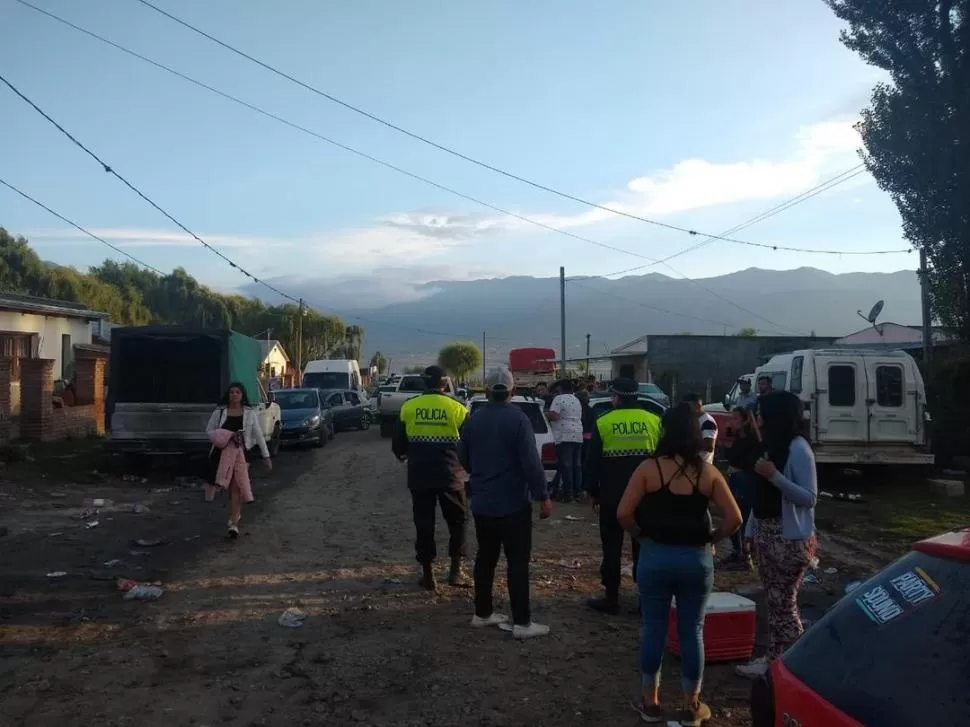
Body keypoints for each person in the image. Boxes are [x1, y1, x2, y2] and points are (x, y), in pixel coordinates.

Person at [617, 403, 742, 726]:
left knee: (653, 628)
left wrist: (641, 536)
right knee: (692, 631)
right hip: (695, 559)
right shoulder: (708, 473)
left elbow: (623, 514)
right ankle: (691, 705)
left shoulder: (648, 469)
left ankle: (650, 702)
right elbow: (735, 519)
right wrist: (713, 539)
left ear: (664, 431)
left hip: (656, 555)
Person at [459, 368, 553, 639]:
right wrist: (543, 497)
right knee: (517, 563)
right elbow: (531, 464)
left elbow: (463, 457)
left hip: (483, 504)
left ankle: (482, 613)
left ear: (486, 392)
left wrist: (481, 474)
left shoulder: (473, 421)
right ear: (512, 392)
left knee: (485, 558)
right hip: (513, 504)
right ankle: (522, 623)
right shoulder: (519, 420)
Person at [735, 391, 818, 680]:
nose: (757, 419)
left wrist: (775, 476)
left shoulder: (798, 449)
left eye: (761, 414)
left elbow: (809, 498)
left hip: (789, 538)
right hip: (767, 533)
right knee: (774, 600)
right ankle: (777, 660)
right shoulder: (771, 446)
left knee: (784, 602)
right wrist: (750, 530)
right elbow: (762, 498)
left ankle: (793, 664)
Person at [584, 377, 661, 615]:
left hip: (612, 496)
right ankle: (644, 598)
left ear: (615, 397)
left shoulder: (604, 421)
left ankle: (611, 597)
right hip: (648, 498)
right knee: (645, 546)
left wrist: (594, 493)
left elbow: (592, 462)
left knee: (611, 546)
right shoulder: (654, 421)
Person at [392, 365, 470, 590]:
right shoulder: (457, 408)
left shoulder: (409, 407)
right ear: (444, 383)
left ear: (424, 383)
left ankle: (428, 575)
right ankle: (456, 572)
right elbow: (469, 442)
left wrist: (406, 457)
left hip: (419, 475)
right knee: (458, 521)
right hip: (450, 475)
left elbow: (398, 444)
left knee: (424, 523)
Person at [205, 382, 272, 538]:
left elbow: (258, 435)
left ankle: (234, 522)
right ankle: (236, 514)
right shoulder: (219, 412)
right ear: (228, 395)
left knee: (237, 486)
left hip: (243, 454)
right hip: (222, 454)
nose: (234, 395)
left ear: (242, 395)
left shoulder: (249, 413)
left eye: (237, 392)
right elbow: (209, 431)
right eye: (232, 392)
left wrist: (266, 456)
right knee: (228, 488)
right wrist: (226, 436)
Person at [725, 407, 761, 569]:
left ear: (745, 420)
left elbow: (749, 461)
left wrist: (738, 468)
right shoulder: (738, 438)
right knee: (732, 515)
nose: (732, 422)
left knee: (741, 517)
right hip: (736, 478)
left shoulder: (751, 440)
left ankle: (745, 555)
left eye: (735, 419)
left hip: (744, 481)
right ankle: (738, 551)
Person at [546, 379, 584, 502]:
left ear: (560, 390)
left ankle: (568, 494)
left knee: (566, 466)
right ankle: (577, 492)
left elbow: (554, 415)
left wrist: (545, 415)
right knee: (576, 465)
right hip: (578, 435)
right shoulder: (576, 399)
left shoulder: (558, 399)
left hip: (564, 436)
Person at [684, 393, 718, 464]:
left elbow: (709, 447)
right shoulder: (691, 419)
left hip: (703, 465)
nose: (686, 409)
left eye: (688, 406)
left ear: (697, 405)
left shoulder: (707, 422)